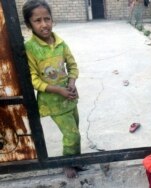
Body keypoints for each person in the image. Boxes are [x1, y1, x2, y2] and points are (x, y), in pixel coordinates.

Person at [22, 0, 81, 178]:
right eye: (37, 20)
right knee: (71, 135)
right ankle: (67, 163)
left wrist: (71, 82)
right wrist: (58, 90)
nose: (44, 24)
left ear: (52, 19)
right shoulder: (30, 49)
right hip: (53, 102)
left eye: (47, 19)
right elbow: (33, 79)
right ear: (28, 24)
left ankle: (76, 158)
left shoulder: (61, 44)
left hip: (69, 97)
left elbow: (72, 66)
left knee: (75, 132)